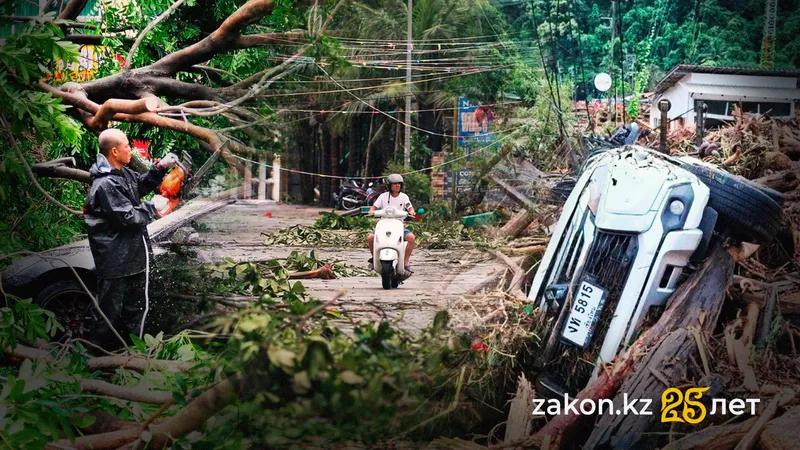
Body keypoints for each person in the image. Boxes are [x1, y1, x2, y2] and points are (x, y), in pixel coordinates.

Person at [83, 128, 179, 348]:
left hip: (132, 258)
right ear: (115, 151)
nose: (131, 149)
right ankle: (93, 357)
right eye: (127, 145)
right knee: (108, 313)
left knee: (135, 309)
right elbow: (128, 217)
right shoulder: (106, 184)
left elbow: (140, 185)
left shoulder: (121, 173)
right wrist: (152, 207)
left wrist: (159, 168)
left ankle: (133, 355)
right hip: (117, 261)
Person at [367, 174, 416, 273]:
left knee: (411, 238)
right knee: (370, 238)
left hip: (398, 225)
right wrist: (371, 211)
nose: (397, 185)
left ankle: (405, 262)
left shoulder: (404, 197)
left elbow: (410, 207)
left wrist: (411, 212)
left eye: (399, 183)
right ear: (389, 185)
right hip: (384, 225)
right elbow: (374, 207)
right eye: (394, 184)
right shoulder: (383, 197)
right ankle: (375, 260)